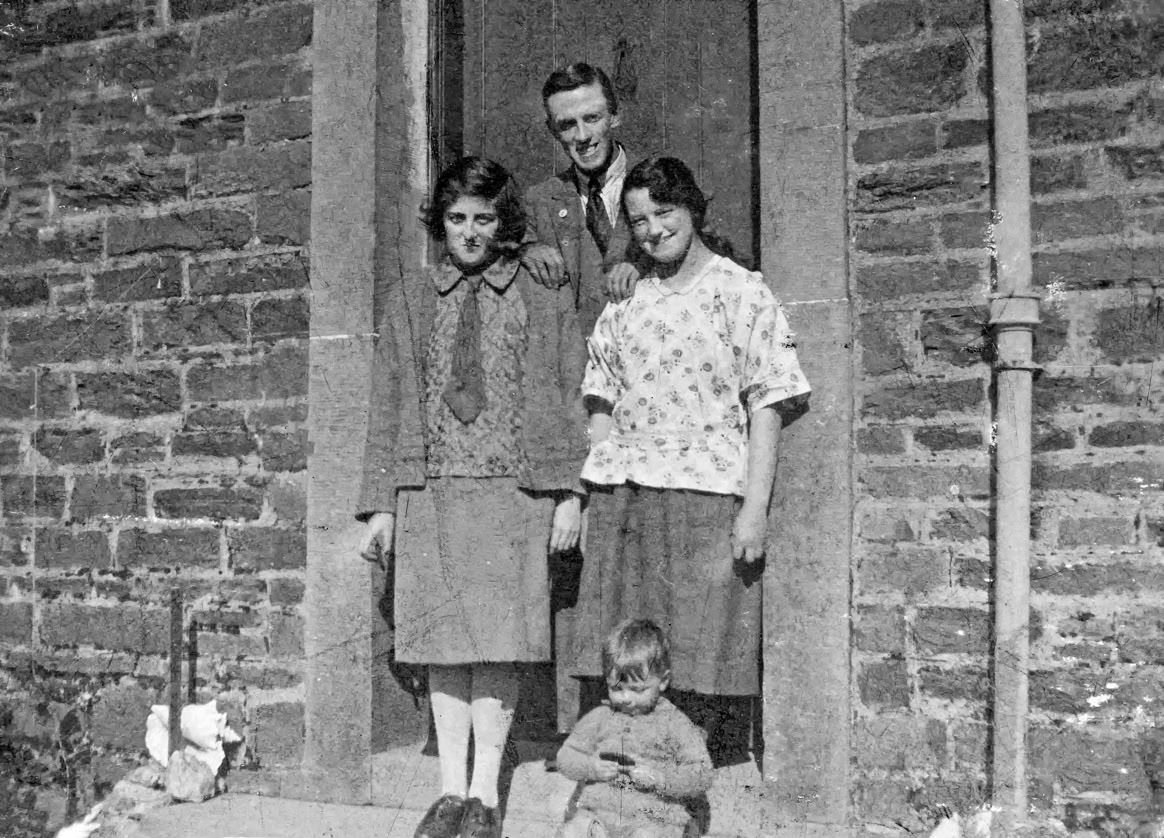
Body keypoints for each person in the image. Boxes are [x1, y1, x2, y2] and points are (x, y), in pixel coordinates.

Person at [357, 157, 588, 838]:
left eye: (483, 219)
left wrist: (570, 493)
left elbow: (570, 391)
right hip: (431, 491)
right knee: (442, 645)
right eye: (456, 218)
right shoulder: (411, 296)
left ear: (503, 222)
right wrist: (381, 504)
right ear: (440, 222)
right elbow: (388, 398)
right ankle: (449, 792)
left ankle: (486, 793)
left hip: (514, 492)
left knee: (496, 644)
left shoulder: (539, 291)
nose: (469, 232)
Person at [572, 156, 811, 754]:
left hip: (705, 496)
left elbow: (768, 403)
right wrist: (599, 484)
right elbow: (601, 396)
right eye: (638, 220)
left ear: (693, 209)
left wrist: (754, 509)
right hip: (627, 498)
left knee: (698, 643)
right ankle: (630, 770)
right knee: (631, 645)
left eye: (665, 212)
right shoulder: (627, 301)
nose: (653, 230)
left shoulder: (741, 290)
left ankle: (686, 772)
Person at [556, 618, 713, 838]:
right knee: (574, 831)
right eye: (616, 688)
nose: (625, 698)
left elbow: (702, 774)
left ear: (663, 681)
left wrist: (659, 778)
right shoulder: (600, 717)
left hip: (653, 818)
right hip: (600, 813)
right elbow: (565, 757)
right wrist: (591, 767)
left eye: (637, 690)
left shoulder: (675, 724)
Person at [521, 62, 643, 339]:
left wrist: (643, 266)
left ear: (615, 115)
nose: (582, 136)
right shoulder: (539, 202)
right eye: (567, 125)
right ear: (553, 130)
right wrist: (524, 251)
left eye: (592, 118)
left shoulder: (663, 184)